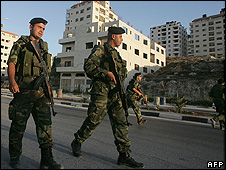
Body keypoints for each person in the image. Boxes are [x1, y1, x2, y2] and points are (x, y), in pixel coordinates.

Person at [71, 26, 144, 169]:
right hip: (102, 93)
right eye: (120, 37)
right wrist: (106, 74)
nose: (121, 39)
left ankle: (124, 156)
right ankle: (77, 141)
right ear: (113, 36)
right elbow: (89, 66)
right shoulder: (100, 50)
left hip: (116, 94)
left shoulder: (116, 55)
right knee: (94, 120)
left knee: (121, 124)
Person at [7, 17, 63, 169]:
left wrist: (49, 88)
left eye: (43, 28)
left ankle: (47, 159)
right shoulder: (21, 44)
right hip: (24, 91)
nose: (41, 30)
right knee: (18, 126)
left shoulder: (44, 47)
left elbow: (45, 71)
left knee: (45, 126)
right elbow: (11, 63)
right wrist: (12, 81)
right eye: (39, 27)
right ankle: (14, 157)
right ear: (30, 27)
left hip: (41, 93)